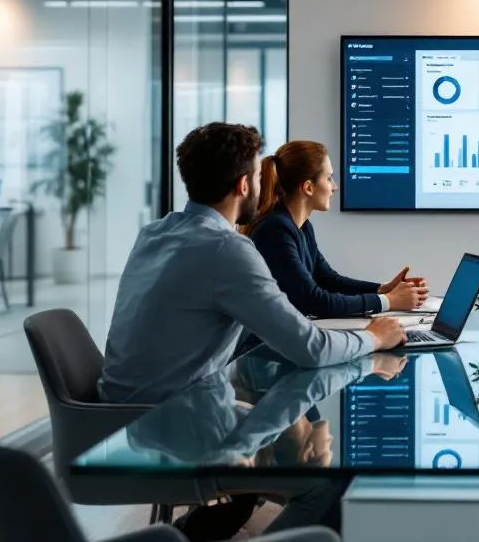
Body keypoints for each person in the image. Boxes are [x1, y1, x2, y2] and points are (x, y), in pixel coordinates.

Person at [99, 123, 407, 540]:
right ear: (244, 185)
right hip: (171, 421)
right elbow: (310, 348)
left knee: (272, 437)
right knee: (333, 482)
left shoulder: (155, 232)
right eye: (259, 179)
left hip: (128, 411)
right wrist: (375, 337)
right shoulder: (226, 249)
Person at [248, 140, 429, 317]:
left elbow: (329, 280)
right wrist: (389, 301)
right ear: (309, 187)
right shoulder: (276, 230)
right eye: (329, 178)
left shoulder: (302, 227)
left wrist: (383, 289)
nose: (334, 187)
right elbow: (315, 301)